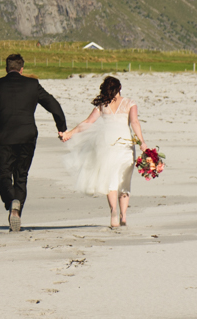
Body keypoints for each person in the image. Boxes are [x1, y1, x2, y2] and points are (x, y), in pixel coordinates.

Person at [0, 53, 68, 232]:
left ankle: (11, 203)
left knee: (3, 175)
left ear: (6, 68)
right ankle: (16, 211)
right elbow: (53, 104)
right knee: (21, 176)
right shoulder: (32, 85)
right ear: (22, 69)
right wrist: (61, 127)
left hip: (5, 138)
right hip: (27, 137)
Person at [59, 75, 142, 229]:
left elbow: (88, 122)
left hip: (107, 145)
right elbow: (135, 123)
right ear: (119, 88)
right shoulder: (130, 103)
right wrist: (142, 143)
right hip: (125, 145)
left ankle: (114, 213)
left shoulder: (102, 105)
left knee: (111, 181)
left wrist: (70, 133)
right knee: (124, 181)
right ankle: (124, 215)